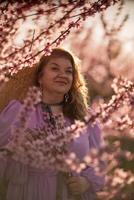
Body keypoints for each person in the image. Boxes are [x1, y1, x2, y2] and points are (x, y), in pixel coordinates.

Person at [0, 48, 105, 200]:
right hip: (29, 192)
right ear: (40, 77)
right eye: (55, 68)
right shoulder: (19, 113)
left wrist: (86, 182)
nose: (63, 75)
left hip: (70, 195)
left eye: (69, 71)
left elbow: (99, 161)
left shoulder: (85, 118)